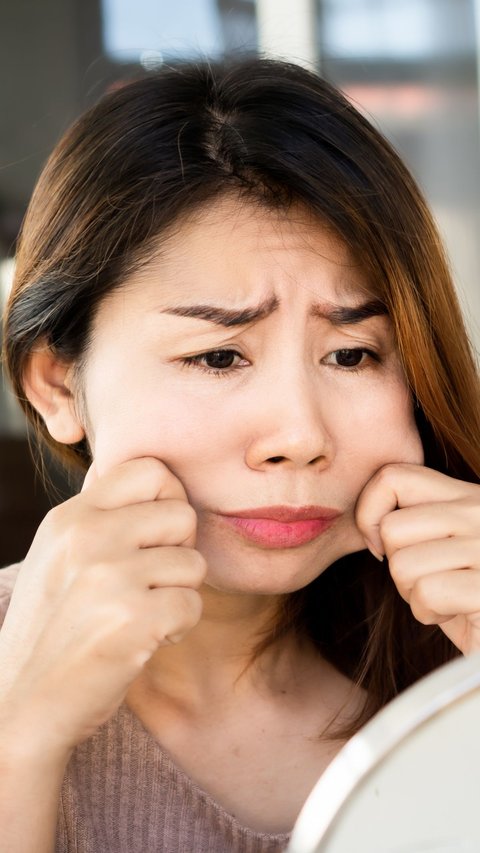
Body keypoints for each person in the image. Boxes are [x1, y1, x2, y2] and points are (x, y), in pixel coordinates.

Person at [1, 57, 479, 853]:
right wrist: (19, 730)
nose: (298, 435)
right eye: (219, 356)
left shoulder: (450, 660)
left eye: (353, 355)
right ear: (56, 381)